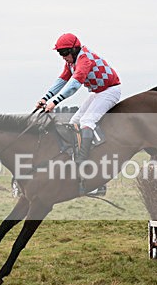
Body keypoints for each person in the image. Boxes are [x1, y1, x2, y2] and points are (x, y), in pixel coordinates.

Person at [36, 33, 121, 194]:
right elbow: (62, 80)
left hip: (110, 91)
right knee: (74, 122)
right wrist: (45, 98)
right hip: (98, 92)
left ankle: (83, 164)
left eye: (64, 53)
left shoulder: (84, 60)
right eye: (60, 53)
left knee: (87, 122)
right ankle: (76, 157)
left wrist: (54, 102)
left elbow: (74, 85)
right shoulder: (71, 62)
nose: (63, 57)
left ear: (74, 50)